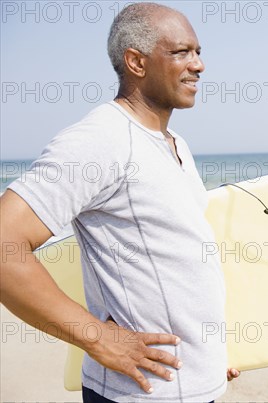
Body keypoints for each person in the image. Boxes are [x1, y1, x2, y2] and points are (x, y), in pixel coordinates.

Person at [0, 2, 239, 402]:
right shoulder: (101, 140)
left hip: (194, 385)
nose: (198, 65)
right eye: (181, 52)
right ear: (136, 62)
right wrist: (97, 337)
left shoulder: (175, 144)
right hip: (141, 394)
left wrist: (208, 357)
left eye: (198, 52)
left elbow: (174, 262)